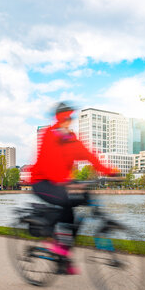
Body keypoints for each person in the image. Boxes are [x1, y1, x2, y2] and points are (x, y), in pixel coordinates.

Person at [30, 102, 117, 272]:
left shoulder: (71, 139)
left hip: (62, 182)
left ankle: (63, 255)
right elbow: (48, 162)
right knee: (65, 200)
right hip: (42, 182)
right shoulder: (49, 135)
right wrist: (66, 182)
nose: (68, 121)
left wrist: (109, 171)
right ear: (58, 118)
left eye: (70, 118)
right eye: (65, 118)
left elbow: (89, 155)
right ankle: (53, 237)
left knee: (82, 200)